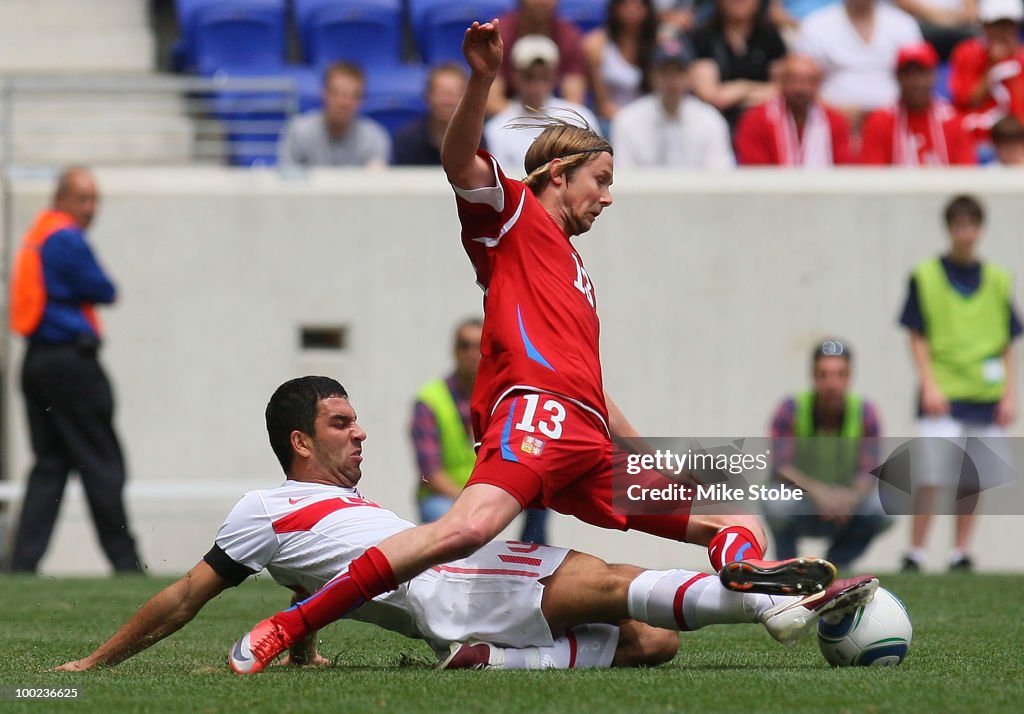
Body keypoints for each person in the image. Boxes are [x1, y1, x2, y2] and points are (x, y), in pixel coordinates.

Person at [228, 20, 838, 675]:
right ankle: (288, 624)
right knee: (464, 531)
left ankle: (763, 591)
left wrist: (645, 454)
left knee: (730, 513)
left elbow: (594, 385)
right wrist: (483, 77)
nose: (607, 197)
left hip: (588, 439)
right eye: (600, 179)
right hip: (538, 416)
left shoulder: (577, 272)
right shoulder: (512, 216)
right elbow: (458, 161)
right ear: (558, 172)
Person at [55, 377, 876, 673]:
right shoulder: (260, 510)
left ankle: (491, 666)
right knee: (621, 582)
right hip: (460, 574)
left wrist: (305, 649)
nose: (362, 431)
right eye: (342, 423)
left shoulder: (322, 518)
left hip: (459, 603)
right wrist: (95, 661)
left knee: (653, 642)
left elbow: (312, 567)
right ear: (299, 442)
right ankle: (780, 601)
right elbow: (186, 596)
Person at [6, 167, 143, 574]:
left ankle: (21, 565)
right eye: (82, 199)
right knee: (102, 461)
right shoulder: (65, 237)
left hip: (36, 361)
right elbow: (105, 288)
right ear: (61, 199)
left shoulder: (38, 234)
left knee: (50, 464)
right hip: (70, 364)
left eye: (94, 200)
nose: (90, 209)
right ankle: (126, 563)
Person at [898, 194, 1020, 572]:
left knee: (973, 477)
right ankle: (916, 551)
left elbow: (1006, 343)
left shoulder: (998, 280)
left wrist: (1008, 393)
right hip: (944, 389)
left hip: (984, 392)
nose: (965, 232)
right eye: (959, 225)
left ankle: (959, 551)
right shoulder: (927, 275)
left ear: (979, 229)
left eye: (971, 225)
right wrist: (929, 383)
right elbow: (916, 334)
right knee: (932, 474)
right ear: (950, 228)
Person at [412, 318, 549, 541]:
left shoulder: (506, 395)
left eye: (478, 345)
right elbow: (431, 473)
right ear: (454, 350)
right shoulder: (430, 401)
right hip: (446, 496)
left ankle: (528, 569)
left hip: (493, 492)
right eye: (464, 345)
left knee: (542, 499)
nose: (471, 353)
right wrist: (475, 502)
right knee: (443, 515)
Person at [765, 340, 892, 571]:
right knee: (773, 500)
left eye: (839, 374)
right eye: (824, 374)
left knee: (886, 505)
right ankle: (787, 567)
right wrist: (819, 493)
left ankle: (836, 564)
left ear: (850, 376)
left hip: (846, 505)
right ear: (813, 376)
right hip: (803, 501)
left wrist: (849, 497)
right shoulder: (791, 409)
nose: (832, 383)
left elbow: (870, 468)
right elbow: (781, 465)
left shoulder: (865, 412)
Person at [485, 35, 603, 178]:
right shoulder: (497, 128)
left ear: (554, 76)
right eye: (529, 76)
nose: (536, 85)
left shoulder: (579, 118)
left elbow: (596, 170)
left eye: (543, 76)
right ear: (515, 76)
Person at [611, 35, 736, 167]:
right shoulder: (627, 120)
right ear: (652, 75)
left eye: (679, 72)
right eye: (665, 72)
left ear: (690, 76)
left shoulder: (711, 120)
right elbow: (624, 177)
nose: (672, 80)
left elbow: (721, 177)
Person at [798, 0, 924, 128]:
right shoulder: (815, 25)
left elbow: (920, 77)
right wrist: (832, 112)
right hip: (829, 126)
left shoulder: (904, 24)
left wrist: (887, 115)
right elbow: (800, 82)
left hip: (896, 124)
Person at [859, 41, 976, 165]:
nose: (916, 81)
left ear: (934, 75)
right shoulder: (880, 121)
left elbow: (965, 175)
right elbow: (873, 176)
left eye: (922, 73)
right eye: (908, 73)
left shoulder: (953, 121)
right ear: (897, 76)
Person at [733, 54, 853, 166]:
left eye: (809, 81)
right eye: (793, 80)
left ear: (818, 84)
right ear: (780, 82)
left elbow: (844, 170)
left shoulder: (836, 122)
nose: (801, 88)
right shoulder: (756, 120)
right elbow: (755, 171)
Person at [688, 0, 788, 133]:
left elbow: (781, 89)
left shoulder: (770, 36)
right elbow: (712, 96)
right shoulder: (704, 37)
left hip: (763, 122)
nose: (739, 1)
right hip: (716, 124)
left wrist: (740, 88)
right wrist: (759, 91)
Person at [277, 63, 391, 168]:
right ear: (323, 94)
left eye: (352, 96)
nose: (343, 102)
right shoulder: (298, 131)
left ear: (361, 100)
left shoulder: (374, 137)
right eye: (336, 93)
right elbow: (287, 180)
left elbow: (376, 185)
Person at [490, 0, 589, 115]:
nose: (542, 2)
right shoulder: (500, 34)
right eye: (529, 76)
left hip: (554, 120)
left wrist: (548, 124)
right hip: (506, 120)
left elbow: (574, 101)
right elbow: (492, 100)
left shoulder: (570, 36)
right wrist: (526, 123)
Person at [948, 0, 1024, 141]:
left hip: (1016, 140)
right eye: (998, 25)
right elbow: (968, 100)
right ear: (986, 26)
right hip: (978, 137)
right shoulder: (967, 52)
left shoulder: (1022, 58)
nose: (1004, 31)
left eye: (1009, 25)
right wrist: (992, 65)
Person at [582, 0, 659, 122]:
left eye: (638, 3)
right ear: (615, 6)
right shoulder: (596, 44)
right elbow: (603, 104)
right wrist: (629, 123)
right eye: (625, 3)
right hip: (611, 119)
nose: (632, 8)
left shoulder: (660, 42)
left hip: (653, 117)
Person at [392, 64, 468, 166]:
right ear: (427, 97)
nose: (448, 102)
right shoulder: (407, 139)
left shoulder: (477, 140)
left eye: (456, 94)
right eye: (441, 93)